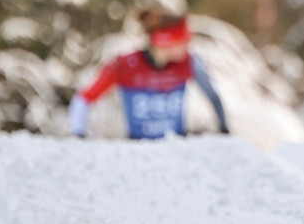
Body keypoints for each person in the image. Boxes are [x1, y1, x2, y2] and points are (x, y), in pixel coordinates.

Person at [69, 8, 229, 139]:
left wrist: (223, 129)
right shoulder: (125, 65)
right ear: (167, 42)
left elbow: (213, 96)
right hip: (139, 149)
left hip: (177, 147)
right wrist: (78, 135)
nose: (188, 46)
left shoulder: (189, 63)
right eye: (184, 41)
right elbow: (83, 99)